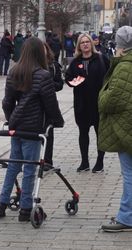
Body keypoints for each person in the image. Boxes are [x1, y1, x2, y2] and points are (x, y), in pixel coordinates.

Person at [0, 37, 64, 221]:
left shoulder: (13, 71)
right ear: (39, 53)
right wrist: (58, 121)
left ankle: (1, 204)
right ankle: (25, 209)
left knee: (14, 165)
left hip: (17, 126)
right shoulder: (43, 74)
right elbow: (50, 103)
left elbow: (7, 102)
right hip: (33, 129)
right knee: (31, 169)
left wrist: (11, 121)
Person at [99, 26, 132, 232]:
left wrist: (101, 96)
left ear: (121, 46)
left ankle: (127, 217)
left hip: (126, 129)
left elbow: (111, 100)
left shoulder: (125, 67)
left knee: (129, 174)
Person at [65, 33, 109, 173]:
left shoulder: (101, 59)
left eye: (87, 42)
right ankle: (84, 162)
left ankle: (100, 162)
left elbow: (110, 77)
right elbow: (68, 79)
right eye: (82, 42)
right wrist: (77, 82)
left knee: (99, 134)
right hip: (81, 104)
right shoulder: (75, 62)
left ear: (92, 44)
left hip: (98, 104)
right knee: (83, 133)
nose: (85, 44)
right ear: (79, 46)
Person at [43, 42, 64, 168]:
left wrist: (48, 84)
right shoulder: (31, 66)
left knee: (48, 133)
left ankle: (47, 161)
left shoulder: (54, 66)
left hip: (49, 102)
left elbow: (60, 84)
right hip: (34, 105)